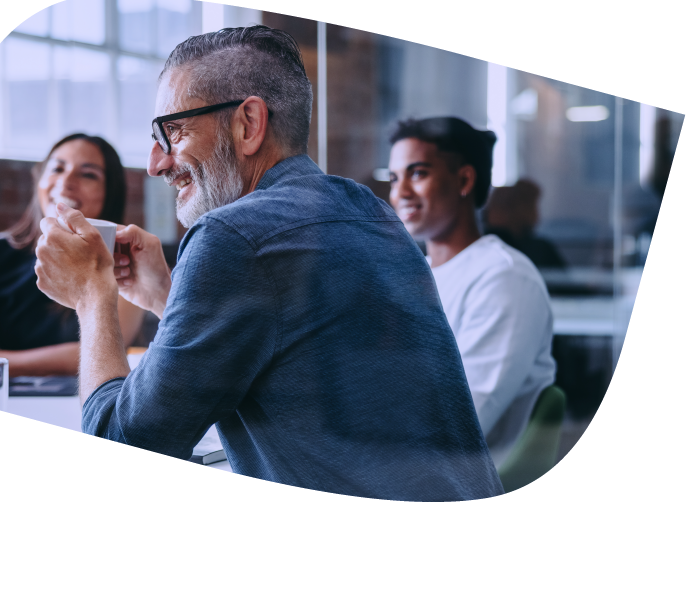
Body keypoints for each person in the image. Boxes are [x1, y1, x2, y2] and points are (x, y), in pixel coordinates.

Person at [35, 26, 503, 502]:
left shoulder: (232, 237)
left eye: (172, 132)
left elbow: (121, 447)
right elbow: (288, 349)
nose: (156, 162)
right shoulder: (370, 212)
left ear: (248, 124)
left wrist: (93, 294)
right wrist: (166, 296)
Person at [388, 117, 556, 467]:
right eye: (394, 178)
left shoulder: (504, 278)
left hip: (460, 480)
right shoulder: (415, 275)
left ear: (464, 179)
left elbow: (463, 421)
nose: (400, 192)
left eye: (417, 174)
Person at [0, 134, 144, 376]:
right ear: (39, 180)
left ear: (110, 193)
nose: (66, 181)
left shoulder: (124, 260)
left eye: (88, 174)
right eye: (57, 168)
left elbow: (107, 352)